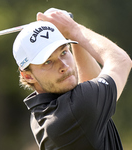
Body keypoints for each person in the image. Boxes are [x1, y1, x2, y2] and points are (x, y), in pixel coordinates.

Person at [13, 8, 131, 150]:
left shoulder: (41, 111)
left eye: (64, 52)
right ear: (27, 75)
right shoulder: (75, 112)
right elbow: (121, 61)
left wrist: (71, 32)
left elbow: (89, 84)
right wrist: (73, 28)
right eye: (48, 62)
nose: (64, 66)